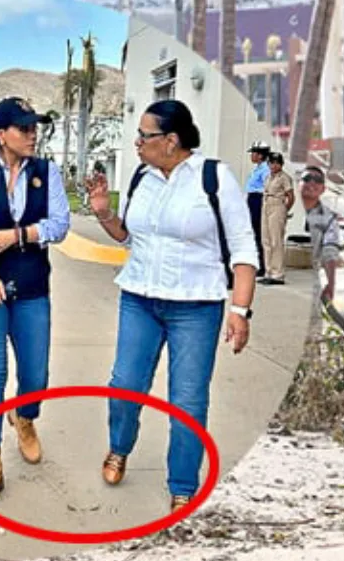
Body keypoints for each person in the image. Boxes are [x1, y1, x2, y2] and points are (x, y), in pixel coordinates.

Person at [84, 99, 259, 514]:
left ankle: (182, 482)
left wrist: (240, 310)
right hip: (140, 299)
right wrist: (105, 213)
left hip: (195, 307)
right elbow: (128, 237)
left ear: (171, 140)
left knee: (187, 399)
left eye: (145, 136)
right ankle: (119, 448)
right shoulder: (143, 175)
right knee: (124, 384)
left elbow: (243, 248)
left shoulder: (214, 178)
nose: (137, 142)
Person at [0, 96, 71, 507]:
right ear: (1, 135)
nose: (32, 134)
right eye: (23, 128)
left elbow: (60, 225)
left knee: (35, 376)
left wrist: (18, 236)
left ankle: (24, 418)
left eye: (34, 127)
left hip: (33, 286)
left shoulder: (46, 172)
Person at [297, 166, 341, 302]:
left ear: (323, 189)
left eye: (318, 180)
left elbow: (330, 252)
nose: (312, 183)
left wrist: (331, 285)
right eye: (307, 179)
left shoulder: (329, 219)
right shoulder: (279, 207)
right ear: (298, 183)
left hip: (308, 284)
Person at [259, 152, 295, 285]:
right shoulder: (268, 177)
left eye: (276, 163)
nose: (274, 165)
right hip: (266, 204)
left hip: (277, 205)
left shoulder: (284, 178)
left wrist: (285, 210)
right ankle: (268, 271)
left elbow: (291, 196)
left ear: (281, 164)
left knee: (276, 241)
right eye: (271, 163)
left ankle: (277, 274)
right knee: (266, 240)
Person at [245, 142, 271, 277]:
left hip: (258, 199)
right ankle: (258, 263)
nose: (252, 156)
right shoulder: (258, 168)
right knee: (254, 232)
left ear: (260, 155)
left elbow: (266, 187)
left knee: (259, 232)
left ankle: (263, 265)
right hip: (252, 198)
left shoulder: (265, 169)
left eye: (254, 153)